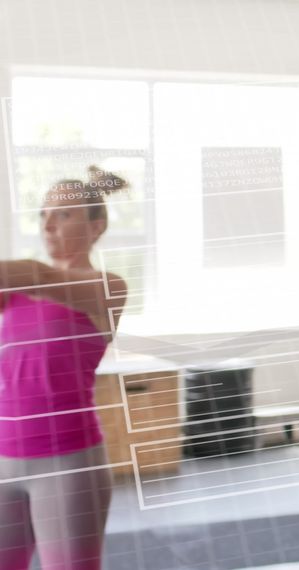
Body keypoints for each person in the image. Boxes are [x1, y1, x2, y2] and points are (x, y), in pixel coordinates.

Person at [0, 166, 129, 569]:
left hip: (68, 462)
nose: (48, 224)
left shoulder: (107, 287)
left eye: (64, 213)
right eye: (43, 213)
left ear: (97, 225)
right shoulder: (15, 298)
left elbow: (37, 274)